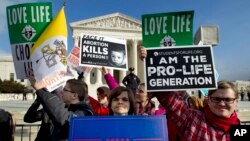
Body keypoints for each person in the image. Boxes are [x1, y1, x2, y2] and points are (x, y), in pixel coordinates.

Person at [139, 46, 240, 140]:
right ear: (208, 99)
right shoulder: (192, 119)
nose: (222, 103)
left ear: (236, 101)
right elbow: (168, 98)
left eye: (228, 100)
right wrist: (152, 62)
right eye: (216, 99)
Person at [27, 77, 93, 141]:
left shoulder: (85, 111)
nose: (62, 92)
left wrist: (40, 90)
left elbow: (65, 118)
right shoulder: (68, 108)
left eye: (65, 90)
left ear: (74, 95)